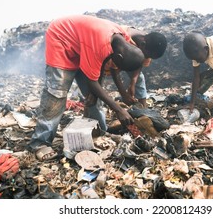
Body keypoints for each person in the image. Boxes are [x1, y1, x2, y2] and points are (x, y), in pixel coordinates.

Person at [27, 15, 145, 161]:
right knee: (56, 94)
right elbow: (93, 80)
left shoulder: (123, 39)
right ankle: (40, 143)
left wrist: (95, 93)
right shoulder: (100, 44)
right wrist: (119, 110)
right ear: (119, 57)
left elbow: (103, 63)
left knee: (94, 97)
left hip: (83, 46)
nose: (116, 69)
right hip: (61, 39)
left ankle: (99, 133)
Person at [103, 26, 167, 108]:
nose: (146, 58)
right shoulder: (123, 41)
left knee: (139, 78)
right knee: (99, 78)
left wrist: (133, 82)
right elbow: (114, 70)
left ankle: (143, 107)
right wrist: (124, 94)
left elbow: (139, 63)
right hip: (111, 57)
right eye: (146, 56)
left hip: (128, 57)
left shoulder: (146, 44)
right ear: (142, 45)